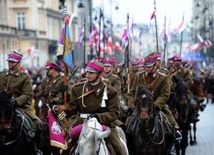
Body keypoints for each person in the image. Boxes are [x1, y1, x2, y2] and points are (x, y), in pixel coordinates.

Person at [67, 59, 126, 155]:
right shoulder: (77, 89)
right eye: (87, 72)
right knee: (65, 148)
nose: (87, 75)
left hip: (104, 124)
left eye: (91, 73)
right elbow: (72, 108)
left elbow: (114, 112)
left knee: (120, 150)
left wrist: (98, 117)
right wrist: (59, 111)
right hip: (81, 122)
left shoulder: (110, 91)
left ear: (99, 74)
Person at [0, 50, 43, 154]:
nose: (10, 63)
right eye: (9, 61)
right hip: (2, 106)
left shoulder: (24, 77)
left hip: (19, 106)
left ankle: (36, 149)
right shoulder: (2, 75)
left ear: (18, 63)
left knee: (37, 124)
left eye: (12, 62)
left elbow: (27, 94)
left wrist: (15, 101)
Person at [128, 55, 180, 134]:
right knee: (128, 125)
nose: (147, 68)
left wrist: (156, 105)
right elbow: (132, 93)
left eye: (149, 66)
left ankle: (174, 138)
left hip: (157, 106)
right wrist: (131, 105)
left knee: (170, 123)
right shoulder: (138, 76)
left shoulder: (163, 78)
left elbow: (164, 94)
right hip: (140, 106)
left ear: (155, 66)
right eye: (146, 66)